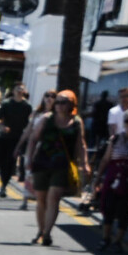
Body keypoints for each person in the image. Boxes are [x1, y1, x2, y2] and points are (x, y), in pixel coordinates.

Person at [24, 89, 88, 246]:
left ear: (71, 104)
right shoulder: (46, 119)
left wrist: (84, 163)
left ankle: (47, 233)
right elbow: (33, 139)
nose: (58, 105)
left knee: (54, 198)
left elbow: (81, 144)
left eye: (62, 102)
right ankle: (41, 229)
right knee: (41, 200)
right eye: (57, 102)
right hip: (42, 162)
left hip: (62, 165)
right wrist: (28, 159)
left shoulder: (77, 122)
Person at [93, 105, 128, 252]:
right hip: (114, 179)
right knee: (109, 209)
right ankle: (105, 238)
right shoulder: (116, 138)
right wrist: (98, 177)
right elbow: (106, 159)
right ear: (124, 122)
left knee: (125, 211)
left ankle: (118, 241)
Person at [0, 87, 33, 195]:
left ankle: (3, 186)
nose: (19, 92)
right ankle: (3, 183)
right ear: (14, 91)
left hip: (17, 138)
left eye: (21, 90)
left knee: (11, 162)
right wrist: (2, 127)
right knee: (1, 162)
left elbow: (29, 122)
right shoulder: (6, 103)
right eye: (17, 90)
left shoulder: (27, 106)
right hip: (4, 137)